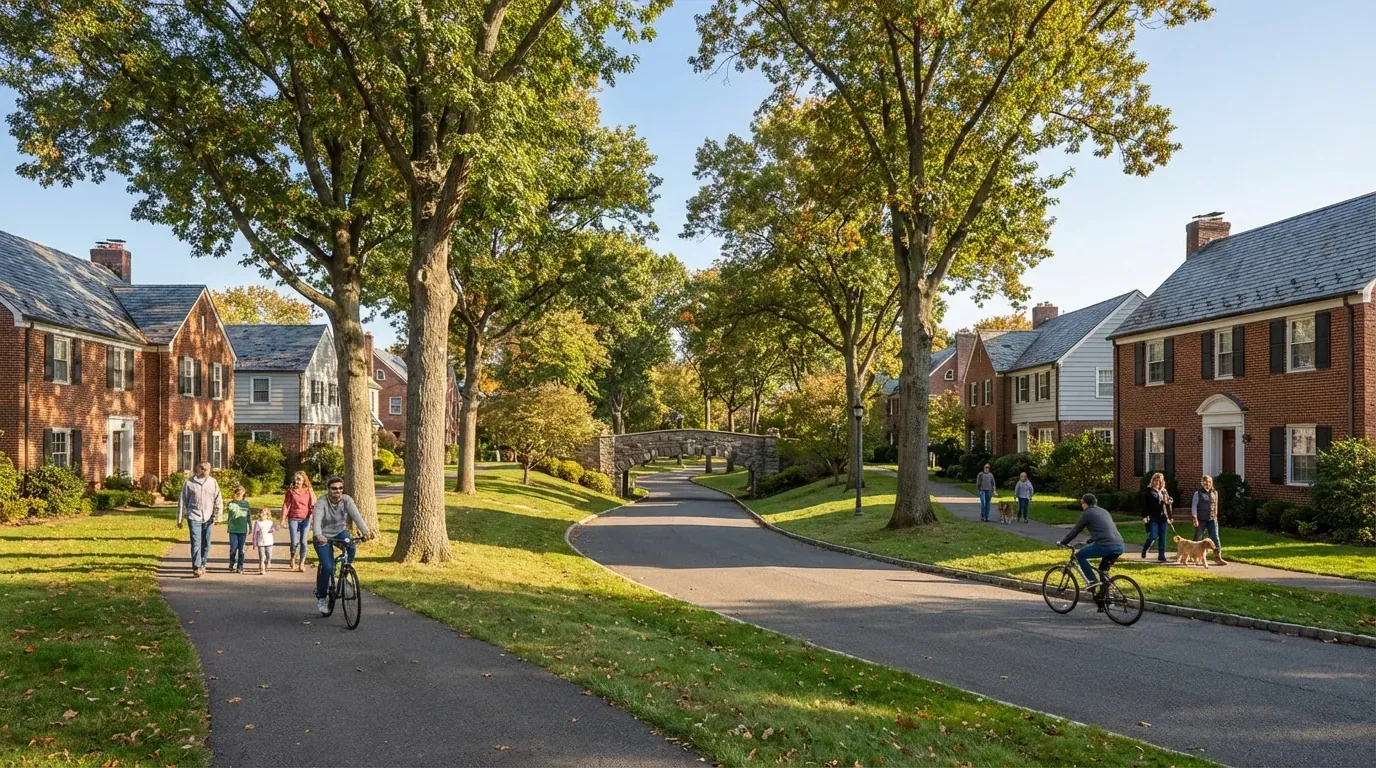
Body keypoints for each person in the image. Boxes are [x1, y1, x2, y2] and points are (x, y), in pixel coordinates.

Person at [312, 476, 371, 615]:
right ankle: (321, 598)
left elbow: (356, 516)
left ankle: (345, 571)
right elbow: (316, 520)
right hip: (323, 536)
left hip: (340, 532)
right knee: (327, 566)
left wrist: (366, 531)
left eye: (340, 488)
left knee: (351, 546)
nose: (337, 491)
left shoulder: (347, 500)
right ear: (328, 489)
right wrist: (318, 535)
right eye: (333, 488)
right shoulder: (321, 502)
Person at [1059, 493, 1125, 611]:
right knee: (1103, 571)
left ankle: (1092, 580)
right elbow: (1104, 530)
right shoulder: (1104, 511)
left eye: (1082, 503)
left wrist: (1063, 542)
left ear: (1085, 504)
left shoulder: (1087, 514)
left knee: (1079, 555)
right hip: (1119, 546)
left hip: (1105, 545)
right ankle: (1103, 600)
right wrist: (1088, 542)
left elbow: (1075, 530)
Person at [177, 462, 223, 577]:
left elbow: (218, 499)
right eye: (205, 469)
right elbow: (182, 500)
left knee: (206, 543)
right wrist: (179, 518)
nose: (207, 471)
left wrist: (218, 515)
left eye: (208, 469)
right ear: (199, 469)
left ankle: (203, 564)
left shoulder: (213, 482)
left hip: (208, 517)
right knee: (196, 542)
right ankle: (196, 567)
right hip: (194, 516)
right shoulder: (189, 483)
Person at [279, 471, 316, 573]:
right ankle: (293, 557)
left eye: (299, 479)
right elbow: (286, 505)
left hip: (306, 519)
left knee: (304, 542)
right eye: (296, 479)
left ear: (304, 480)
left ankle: (302, 563)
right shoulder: (291, 491)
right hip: (293, 518)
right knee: (294, 542)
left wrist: (313, 512)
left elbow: (313, 503)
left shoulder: (309, 490)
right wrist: (282, 519)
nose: (297, 481)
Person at [1191, 475, 1227, 566]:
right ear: (1202, 483)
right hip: (1201, 519)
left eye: (1209, 482)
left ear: (1212, 483)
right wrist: (1195, 517)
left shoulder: (1214, 492)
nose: (1207, 484)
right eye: (1205, 482)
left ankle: (1218, 557)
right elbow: (1194, 506)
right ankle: (1194, 556)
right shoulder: (1198, 493)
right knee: (1198, 538)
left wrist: (1215, 516)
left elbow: (1215, 506)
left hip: (1212, 519)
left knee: (1215, 538)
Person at [1140, 472, 1171, 563]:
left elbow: (1168, 505)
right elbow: (1144, 504)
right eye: (1155, 480)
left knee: (1162, 537)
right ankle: (1145, 548)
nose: (1157, 482)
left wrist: (1170, 516)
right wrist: (1144, 516)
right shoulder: (1148, 491)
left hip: (1163, 517)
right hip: (1153, 517)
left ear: (1162, 482)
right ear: (1152, 481)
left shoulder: (1164, 491)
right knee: (1153, 535)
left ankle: (1161, 555)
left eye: (1159, 481)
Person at [224, 486, 251, 574]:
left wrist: (250, 526)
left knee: (241, 548)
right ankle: (232, 563)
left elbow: (248, 516)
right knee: (233, 548)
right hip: (233, 529)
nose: (239, 495)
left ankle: (240, 565)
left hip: (243, 529)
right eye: (238, 493)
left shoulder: (246, 504)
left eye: (241, 493)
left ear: (244, 494)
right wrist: (235, 502)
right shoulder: (231, 504)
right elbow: (232, 514)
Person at [252, 508, 278, 575]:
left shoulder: (270, 522)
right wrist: (254, 543)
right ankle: (262, 569)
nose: (263, 515)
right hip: (260, 542)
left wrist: (274, 528)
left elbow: (275, 528)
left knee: (269, 554)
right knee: (262, 557)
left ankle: (268, 561)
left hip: (269, 542)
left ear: (267, 515)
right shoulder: (258, 523)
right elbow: (255, 533)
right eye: (262, 514)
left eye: (265, 514)